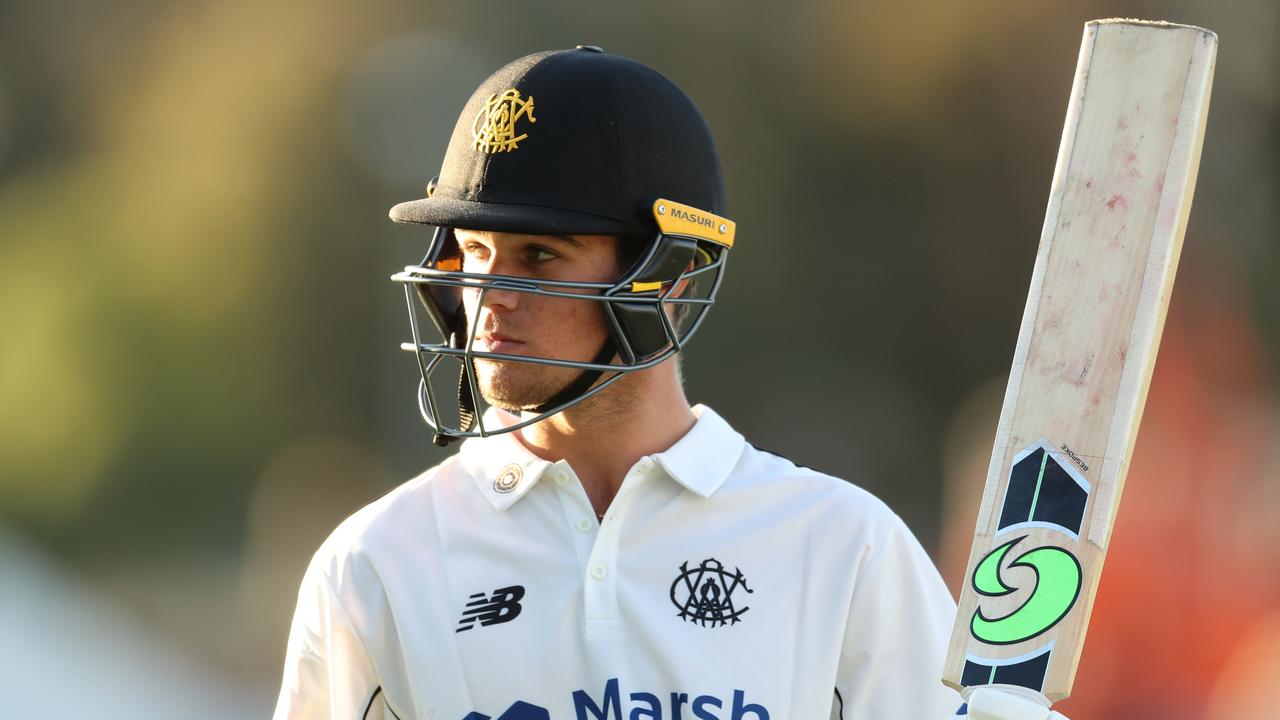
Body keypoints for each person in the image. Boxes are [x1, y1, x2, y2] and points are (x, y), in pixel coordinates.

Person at [273, 46, 1069, 720]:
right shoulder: (375, 565)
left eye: (539, 257)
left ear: (670, 277)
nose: (492, 296)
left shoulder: (842, 551)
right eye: (476, 254)